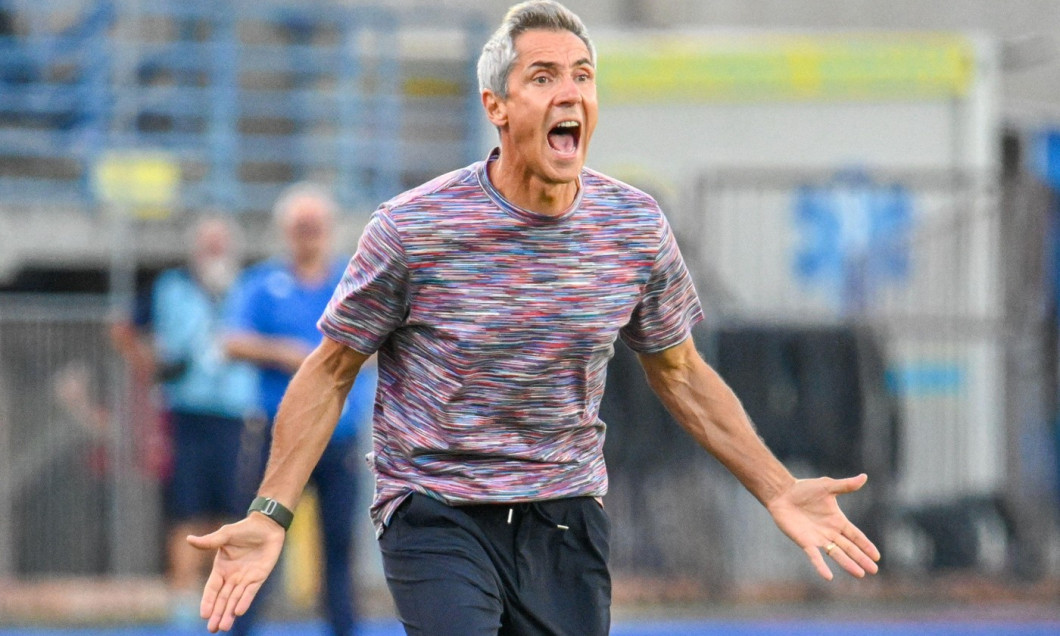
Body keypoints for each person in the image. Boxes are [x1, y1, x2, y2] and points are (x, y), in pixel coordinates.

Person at [189, 2, 882, 634]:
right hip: (437, 509)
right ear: (496, 105)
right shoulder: (414, 229)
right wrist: (270, 511)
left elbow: (682, 374)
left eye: (583, 76)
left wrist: (777, 486)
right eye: (544, 77)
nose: (571, 92)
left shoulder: (634, 228)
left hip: (564, 516)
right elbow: (331, 370)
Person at [218, 183, 376, 636]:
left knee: (339, 547)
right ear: (286, 231)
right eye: (300, 227)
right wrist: (286, 353)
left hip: (339, 437)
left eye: (316, 226)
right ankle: (237, 625)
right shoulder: (263, 283)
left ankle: (344, 628)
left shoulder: (352, 280)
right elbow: (231, 340)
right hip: (279, 439)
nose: (309, 235)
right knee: (260, 538)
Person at [114, 215, 257, 625]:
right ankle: (182, 608)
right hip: (185, 413)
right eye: (208, 245)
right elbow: (124, 328)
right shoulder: (170, 286)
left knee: (228, 511)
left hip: (235, 415)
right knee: (185, 510)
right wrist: (150, 365)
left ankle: (223, 604)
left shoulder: (246, 288)